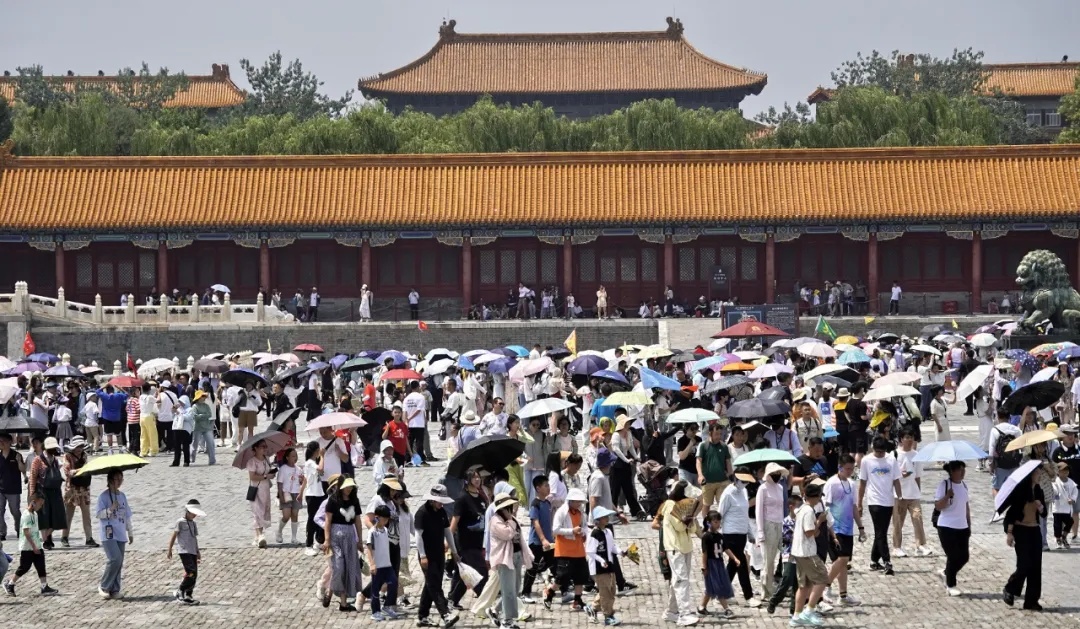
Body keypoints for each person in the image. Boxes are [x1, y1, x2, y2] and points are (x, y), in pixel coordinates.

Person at [1002, 464, 1047, 610]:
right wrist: (1010, 533)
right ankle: (1010, 588)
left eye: (1040, 473)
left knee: (1035, 567)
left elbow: (1044, 513)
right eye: (1038, 473)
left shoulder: (1039, 490)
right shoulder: (1021, 491)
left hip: (1034, 531)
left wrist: (1040, 506)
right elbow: (1012, 514)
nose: (1040, 475)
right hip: (1021, 530)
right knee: (1024, 564)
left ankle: (1031, 601)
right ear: (1031, 475)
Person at [414, 483, 459, 627]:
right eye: (440, 501)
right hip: (427, 555)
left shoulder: (441, 512)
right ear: (432, 500)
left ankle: (422, 616)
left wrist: (454, 551)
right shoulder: (422, 513)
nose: (441, 504)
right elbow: (418, 536)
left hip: (439, 553)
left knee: (432, 584)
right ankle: (445, 614)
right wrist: (422, 556)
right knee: (434, 584)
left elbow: (447, 532)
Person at [820, 455, 863, 607]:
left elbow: (854, 507)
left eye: (852, 469)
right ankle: (823, 587)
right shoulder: (831, 483)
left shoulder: (852, 484)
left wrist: (861, 527)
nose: (850, 472)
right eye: (847, 469)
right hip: (835, 528)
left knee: (843, 563)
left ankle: (843, 595)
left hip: (848, 528)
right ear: (840, 467)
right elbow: (826, 506)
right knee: (842, 559)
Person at [857, 437, 902, 575]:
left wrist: (899, 498)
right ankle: (887, 561)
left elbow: (896, 480)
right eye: (878, 452)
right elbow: (862, 483)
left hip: (888, 501)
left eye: (882, 452)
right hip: (874, 501)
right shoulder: (866, 460)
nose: (880, 454)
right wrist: (859, 503)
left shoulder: (891, 460)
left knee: (881, 532)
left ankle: (873, 560)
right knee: (881, 532)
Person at [488, 493, 533, 628]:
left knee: (514, 589)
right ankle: (507, 621)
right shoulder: (496, 521)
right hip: (505, 559)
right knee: (508, 591)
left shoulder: (510, 518)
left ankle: (494, 610)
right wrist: (512, 522)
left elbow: (517, 535)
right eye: (509, 506)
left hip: (517, 555)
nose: (513, 508)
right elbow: (508, 534)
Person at [660, 481, 702, 626]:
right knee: (681, 580)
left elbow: (691, 529)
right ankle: (684, 613)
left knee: (677, 580)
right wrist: (687, 520)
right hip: (674, 547)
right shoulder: (670, 505)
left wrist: (691, 519)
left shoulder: (683, 506)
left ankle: (671, 611)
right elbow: (678, 526)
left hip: (686, 547)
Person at [2, 491, 57, 596]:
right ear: (33, 502)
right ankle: (10, 583)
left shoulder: (34, 514)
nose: (41, 506)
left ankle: (44, 586)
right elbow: (26, 532)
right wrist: (33, 546)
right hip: (28, 547)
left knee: (41, 565)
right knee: (24, 567)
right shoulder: (26, 515)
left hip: (36, 545)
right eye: (40, 504)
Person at [791, 480, 829, 626]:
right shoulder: (808, 511)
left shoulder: (800, 509)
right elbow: (809, 532)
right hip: (807, 553)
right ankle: (809, 610)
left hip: (798, 552)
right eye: (819, 496)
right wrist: (819, 521)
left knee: (804, 585)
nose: (820, 499)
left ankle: (796, 616)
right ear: (815, 497)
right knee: (822, 578)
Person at [323, 477, 364, 612]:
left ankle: (344, 603)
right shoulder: (333, 500)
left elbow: (357, 521)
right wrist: (327, 539)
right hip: (336, 536)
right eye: (347, 486)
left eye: (351, 487)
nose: (349, 489)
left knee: (348, 568)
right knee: (338, 567)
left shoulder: (354, 501)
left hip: (350, 536)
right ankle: (330, 591)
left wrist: (359, 540)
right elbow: (328, 521)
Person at [719, 468, 758, 607]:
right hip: (730, 533)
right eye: (743, 481)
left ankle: (722, 592)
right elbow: (720, 514)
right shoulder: (728, 493)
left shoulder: (744, 492)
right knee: (741, 564)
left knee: (733, 565)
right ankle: (749, 596)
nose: (745, 484)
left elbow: (744, 514)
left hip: (741, 534)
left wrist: (750, 534)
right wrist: (716, 533)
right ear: (736, 479)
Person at [545, 488, 589, 611]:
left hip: (578, 549)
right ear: (570, 501)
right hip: (564, 550)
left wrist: (584, 533)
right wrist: (571, 531)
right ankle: (550, 592)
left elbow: (585, 526)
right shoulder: (561, 512)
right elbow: (555, 530)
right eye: (577, 502)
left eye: (580, 502)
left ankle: (577, 599)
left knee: (580, 576)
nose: (579, 504)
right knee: (562, 577)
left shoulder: (581, 513)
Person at [892, 430, 931, 558]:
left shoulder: (916, 455)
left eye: (911, 437)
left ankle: (921, 544)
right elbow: (892, 476)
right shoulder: (894, 455)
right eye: (907, 437)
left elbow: (918, 476)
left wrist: (918, 491)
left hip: (913, 493)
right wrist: (901, 475)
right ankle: (897, 547)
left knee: (917, 517)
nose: (909, 440)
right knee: (898, 521)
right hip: (899, 494)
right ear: (901, 439)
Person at [934, 461, 970, 597]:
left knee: (964, 557)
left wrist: (969, 524)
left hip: (962, 526)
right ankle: (951, 585)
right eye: (960, 470)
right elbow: (938, 506)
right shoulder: (944, 485)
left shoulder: (964, 485)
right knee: (953, 556)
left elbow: (966, 506)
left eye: (963, 469)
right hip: (946, 526)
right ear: (952, 471)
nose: (962, 472)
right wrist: (948, 495)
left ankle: (946, 573)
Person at [96, 470, 133, 599]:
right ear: (111, 480)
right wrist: (110, 509)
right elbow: (99, 515)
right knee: (114, 559)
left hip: (121, 532)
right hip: (108, 534)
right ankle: (104, 585)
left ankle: (115, 589)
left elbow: (127, 516)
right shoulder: (103, 497)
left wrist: (130, 532)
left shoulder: (122, 496)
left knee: (120, 561)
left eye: (121, 479)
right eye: (117, 479)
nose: (120, 482)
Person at [585, 505, 623, 627]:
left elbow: (612, 546)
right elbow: (590, 551)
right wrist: (601, 560)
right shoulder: (594, 534)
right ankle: (608, 616)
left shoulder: (608, 532)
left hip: (609, 566)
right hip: (599, 568)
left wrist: (621, 551)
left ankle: (592, 607)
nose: (607, 518)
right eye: (604, 517)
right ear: (598, 519)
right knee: (606, 592)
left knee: (611, 590)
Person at [756, 462, 787, 601]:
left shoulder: (780, 488)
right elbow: (759, 511)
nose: (777, 476)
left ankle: (782, 586)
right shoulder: (762, 489)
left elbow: (782, 508)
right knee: (768, 560)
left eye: (778, 474)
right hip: (768, 524)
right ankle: (766, 590)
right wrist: (760, 531)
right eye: (774, 474)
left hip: (780, 523)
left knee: (784, 556)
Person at [27, 437, 65, 550]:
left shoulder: (55, 460)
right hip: (42, 490)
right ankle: (46, 541)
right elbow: (33, 477)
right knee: (44, 516)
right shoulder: (37, 460)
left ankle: (47, 536)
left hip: (55, 491)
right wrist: (32, 493)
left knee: (58, 515)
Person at [766, 495, 801, 616]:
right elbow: (787, 539)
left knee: (798, 583)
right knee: (787, 579)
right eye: (798, 506)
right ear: (791, 507)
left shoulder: (802, 519)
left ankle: (794, 609)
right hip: (789, 555)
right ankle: (774, 601)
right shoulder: (786, 522)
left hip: (801, 555)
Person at [366, 504, 402, 620]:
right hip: (378, 566)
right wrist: (372, 564)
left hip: (387, 564)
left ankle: (387, 606)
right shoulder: (372, 532)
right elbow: (369, 548)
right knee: (375, 589)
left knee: (393, 583)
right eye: (384, 518)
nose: (386, 521)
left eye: (387, 519)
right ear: (377, 517)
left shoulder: (386, 530)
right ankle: (375, 611)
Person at [166, 499, 205, 605]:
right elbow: (174, 535)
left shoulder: (193, 524)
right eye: (193, 513)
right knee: (191, 572)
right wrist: (169, 549)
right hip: (184, 550)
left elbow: (194, 538)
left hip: (192, 551)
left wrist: (197, 551)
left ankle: (188, 594)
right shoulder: (180, 522)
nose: (195, 515)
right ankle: (181, 590)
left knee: (194, 574)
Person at [523, 475, 555, 600]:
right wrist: (543, 539)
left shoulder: (547, 503)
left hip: (549, 540)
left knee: (552, 562)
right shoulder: (535, 504)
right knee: (532, 567)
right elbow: (535, 523)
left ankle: (559, 588)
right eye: (546, 486)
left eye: (548, 485)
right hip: (537, 542)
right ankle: (526, 592)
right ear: (538, 488)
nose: (548, 488)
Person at [699, 510, 735, 619]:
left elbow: (726, 548)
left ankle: (701, 607)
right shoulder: (706, 537)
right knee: (717, 586)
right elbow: (704, 553)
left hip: (719, 564)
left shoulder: (720, 536)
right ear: (709, 523)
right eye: (715, 522)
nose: (718, 524)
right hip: (711, 564)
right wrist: (704, 566)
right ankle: (727, 609)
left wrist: (735, 558)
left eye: (719, 522)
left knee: (711, 588)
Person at [61, 437, 96, 548]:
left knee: (86, 515)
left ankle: (89, 538)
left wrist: (80, 471)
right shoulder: (67, 456)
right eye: (77, 447)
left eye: (80, 447)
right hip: (71, 489)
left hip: (84, 489)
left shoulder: (84, 455)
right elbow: (68, 472)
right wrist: (81, 471)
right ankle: (64, 537)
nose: (79, 449)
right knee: (68, 515)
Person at [697, 423, 733, 512]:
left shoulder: (724, 446)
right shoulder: (703, 446)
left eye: (720, 434)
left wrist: (731, 475)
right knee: (706, 505)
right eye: (716, 434)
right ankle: (706, 524)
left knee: (722, 504)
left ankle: (720, 524)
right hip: (707, 482)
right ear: (710, 434)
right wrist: (700, 475)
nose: (719, 436)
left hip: (722, 481)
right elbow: (698, 461)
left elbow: (728, 461)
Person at [246, 440, 273, 548]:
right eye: (262, 447)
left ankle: (258, 536)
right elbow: (252, 477)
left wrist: (271, 474)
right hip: (256, 489)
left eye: (265, 447)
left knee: (265, 510)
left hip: (265, 488)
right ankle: (260, 535)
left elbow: (267, 472)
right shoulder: (252, 462)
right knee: (257, 511)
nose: (265, 449)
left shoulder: (266, 459)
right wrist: (266, 477)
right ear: (256, 448)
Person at [275, 447, 305, 545]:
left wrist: (301, 480)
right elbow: (279, 483)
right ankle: (279, 531)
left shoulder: (298, 469)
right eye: (292, 456)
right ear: (287, 457)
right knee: (286, 515)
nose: (295, 458)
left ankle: (294, 537)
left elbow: (301, 482)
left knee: (295, 515)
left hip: (296, 493)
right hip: (286, 493)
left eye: (295, 456)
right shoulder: (283, 469)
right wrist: (281, 496)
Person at [0, 433, 25, 542]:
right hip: (0, 488)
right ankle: (2, 532)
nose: (1, 443)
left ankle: (19, 530)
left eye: (3, 441)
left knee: (15, 511)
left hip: (13, 489)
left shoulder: (16, 455)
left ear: (10, 442)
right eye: (0, 441)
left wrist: (19, 461)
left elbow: (23, 470)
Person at [302, 441, 325, 556]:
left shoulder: (313, 463)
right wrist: (322, 457)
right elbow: (320, 469)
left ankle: (319, 540)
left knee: (320, 518)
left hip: (319, 493)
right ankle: (308, 544)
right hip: (312, 495)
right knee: (311, 519)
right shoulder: (310, 463)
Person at [1051, 461, 1077, 549]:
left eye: (1067, 471)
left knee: (1070, 522)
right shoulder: (1055, 481)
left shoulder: (1071, 482)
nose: (1065, 472)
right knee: (1057, 525)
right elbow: (1054, 491)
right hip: (1058, 508)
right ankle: (1058, 539)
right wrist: (1055, 493)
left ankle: (1064, 536)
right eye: (1063, 471)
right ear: (1058, 472)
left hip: (1067, 508)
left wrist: (1073, 499)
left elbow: (1075, 492)